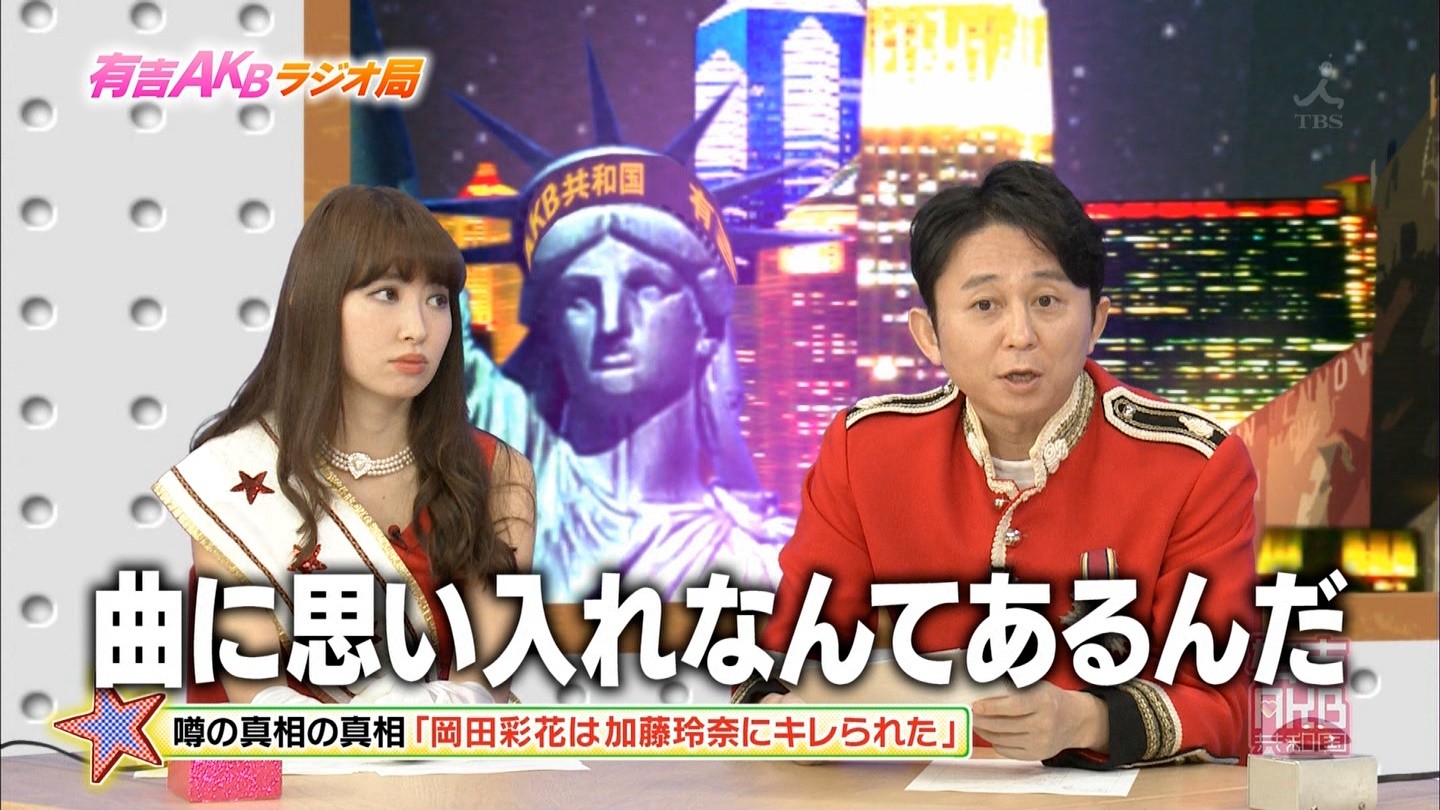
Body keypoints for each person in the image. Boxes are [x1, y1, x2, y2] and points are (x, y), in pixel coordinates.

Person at [734, 161, 1259, 769]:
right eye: (984, 304)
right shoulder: (866, 452)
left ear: (1096, 321)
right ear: (929, 335)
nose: (1020, 334)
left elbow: (1226, 703)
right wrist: (784, 716)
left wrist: (1084, 720)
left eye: (1046, 301)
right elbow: (779, 659)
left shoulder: (1194, 465)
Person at [153, 185, 536, 706]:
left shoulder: (496, 471)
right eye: (386, 294)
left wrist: (412, 718)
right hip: (281, 758)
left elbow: (487, 681)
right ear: (311, 304)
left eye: (437, 299)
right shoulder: (232, 476)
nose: (417, 328)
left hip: (448, 757)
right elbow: (257, 696)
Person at [463, 148, 791, 601]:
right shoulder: (520, 491)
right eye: (580, 298)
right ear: (553, 333)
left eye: (646, 287)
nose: (612, 322)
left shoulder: (764, 564)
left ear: (706, 328)